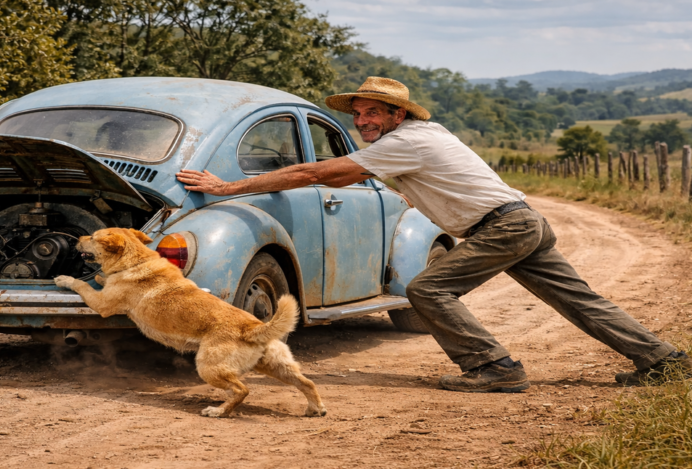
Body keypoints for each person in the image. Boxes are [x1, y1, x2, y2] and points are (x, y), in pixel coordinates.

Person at [176, 76, 691, 392]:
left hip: (504, 225)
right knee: (578, 300)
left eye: (373, 112)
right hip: (521, 219)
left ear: (398, 114)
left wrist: (226, 187)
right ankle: (662, 360)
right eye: (357, 114)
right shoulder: (420, 137)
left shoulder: (405, 142)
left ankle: (494, 367)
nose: (363, 120)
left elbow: (316, 174)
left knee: (425, 289)